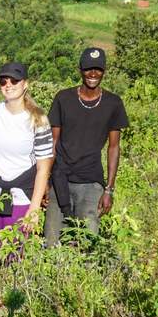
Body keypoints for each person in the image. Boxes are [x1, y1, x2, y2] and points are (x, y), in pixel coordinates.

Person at [44, 46, 128, 248]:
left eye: (98, 69)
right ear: (80, 69)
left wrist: (109, 190)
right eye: (88, 68)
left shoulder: (113, 103)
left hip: (91, 183)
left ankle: (86, 278)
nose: (93, 74)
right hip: (60, 179)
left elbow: (114, 147)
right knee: (51, 241)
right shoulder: (63, 98)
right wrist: (45, 182)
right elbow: (52, 142)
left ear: (104, 71)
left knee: (89, 244)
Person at [0, 61, 53, 238]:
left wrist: (34, 208)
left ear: (25, 84)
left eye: (14, 81)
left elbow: (43, 168)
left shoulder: (38, 120)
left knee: (15, 255)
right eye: (3, 81)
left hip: (21, 198)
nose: (8, 85)